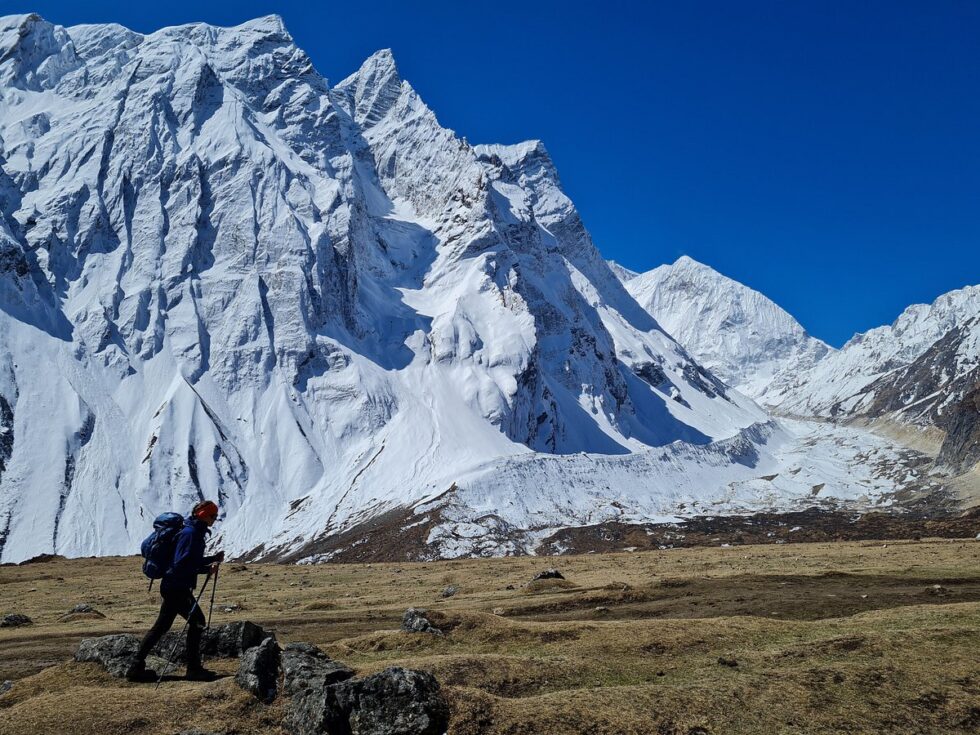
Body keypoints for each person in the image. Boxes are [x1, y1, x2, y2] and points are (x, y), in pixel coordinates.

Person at [127, 500, 225, 682]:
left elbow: (187, 559)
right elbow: (181, 564)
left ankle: (136, 666)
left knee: (161, 627)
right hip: (177, 587)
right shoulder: (191, 534)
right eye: (213, 516)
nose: (215, 519)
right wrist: (206, 569)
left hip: (172, 586)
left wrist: (211, 559)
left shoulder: (190, 531)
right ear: (204, 515)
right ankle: (193, 669)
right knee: (197, 621)